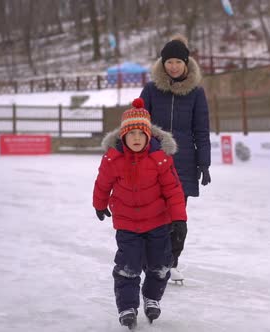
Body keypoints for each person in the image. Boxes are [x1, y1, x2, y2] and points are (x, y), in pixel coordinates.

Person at [92, 98, 186, 329]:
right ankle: (127, 306)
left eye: (140, 133)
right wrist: (99, 203)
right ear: (123, 136)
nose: (136, 138)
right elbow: (103, 183)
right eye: (131, 133)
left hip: (157, 222)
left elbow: (173, 190)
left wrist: (179, 219)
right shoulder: (114, 158)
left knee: (160, 265)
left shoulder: (160, 159)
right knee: (127, 267)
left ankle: (152, 297)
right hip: (127, 224)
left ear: (149, 136)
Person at [139, 34, 211, 283]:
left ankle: (171, 263)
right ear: (162, 63)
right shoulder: (150, 89)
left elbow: (201, 130)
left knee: (177, 216)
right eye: (168, 62)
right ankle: (153, 261)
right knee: (153, 214)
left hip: (184, 163)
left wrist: (204, 163)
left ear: (186, 63)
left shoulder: (196, 93)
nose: (173, 66)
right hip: (153, 160)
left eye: (178, 62)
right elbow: (138, 124)